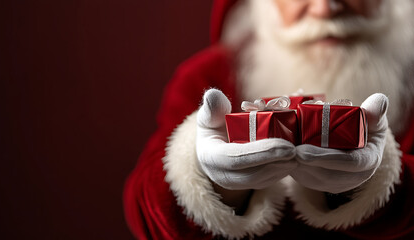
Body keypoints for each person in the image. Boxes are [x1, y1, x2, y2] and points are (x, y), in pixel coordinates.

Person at [124, 0, 414, 239]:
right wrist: (205, 180)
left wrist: (385, 183)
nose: (325, 9)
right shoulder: (210, 76)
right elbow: (145, 215)